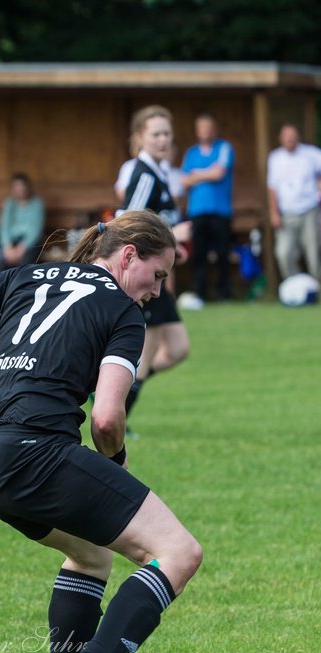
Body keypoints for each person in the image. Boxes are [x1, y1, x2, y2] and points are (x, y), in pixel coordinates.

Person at [0, 211, 201, 653]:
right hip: (33, 450)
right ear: (128, 256)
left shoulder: (24, 276)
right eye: (158, 275)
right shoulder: (122, 310)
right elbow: (106, 418)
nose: (156, 290)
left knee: (91, 554)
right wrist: (114, 464)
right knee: (179, 552)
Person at [115, 105, 190, 425]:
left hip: (159, 279)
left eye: (167, 133)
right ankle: (115, 418)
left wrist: (173, 248)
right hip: (144, 282)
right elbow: (127, 225)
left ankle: (110, 391)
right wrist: (172, 235)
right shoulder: (143, 174)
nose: (162, 139)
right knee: (144, 356)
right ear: (140, 138)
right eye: (155, 133)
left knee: (177, 349)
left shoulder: (160, 172)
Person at [180, 113, 235, 305]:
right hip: (197, 211)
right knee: (198, 255)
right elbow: (184, 180)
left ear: (215, 129)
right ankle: (199, 294)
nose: (206, 131)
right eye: (202, 127)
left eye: (209, 127)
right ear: (197, 131)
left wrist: (196, 174)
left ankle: (223, 294)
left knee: (222, 254)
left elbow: (219, 173)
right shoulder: (191, 153)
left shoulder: (224, 147)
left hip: (220, 210)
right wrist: (205, 174)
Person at [266, 122, 321, 280]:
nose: (290, 139)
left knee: (314, 253)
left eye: (292, 136)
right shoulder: (275, 158)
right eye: (286, 136)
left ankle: (318, 290)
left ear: (298, 137)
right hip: (286, 213)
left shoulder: (311, 154)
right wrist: (274, 212)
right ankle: (295, 287)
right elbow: (272, 188)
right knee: (283, 253)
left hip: (309, 210)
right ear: (280, 139)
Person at [0, 172, 45, 272]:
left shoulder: (37, 203)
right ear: (12, 189)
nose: (20, 189)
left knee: (25, 266)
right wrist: (7, 247)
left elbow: (35, 230)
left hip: (29, 244)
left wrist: (22, 248)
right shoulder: (9, 203)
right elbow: (4, 227)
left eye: (22, 186)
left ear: (28, 187)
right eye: (17, 186)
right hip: (10, 243)